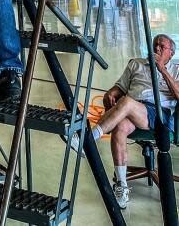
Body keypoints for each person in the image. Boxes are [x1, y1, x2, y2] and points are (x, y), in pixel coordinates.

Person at [69, 33, 179, 209]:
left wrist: (162, 69)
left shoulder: (176, 69)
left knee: (126, 102)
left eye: (162, 47)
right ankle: (122, 185)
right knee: (120, 126)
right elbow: (120, 87)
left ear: (171, 53)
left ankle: (86, 139)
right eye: (155, 45)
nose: (156, 49)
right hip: (134, 109)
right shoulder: (136, 64)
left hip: (158, 114)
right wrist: (111, 93)